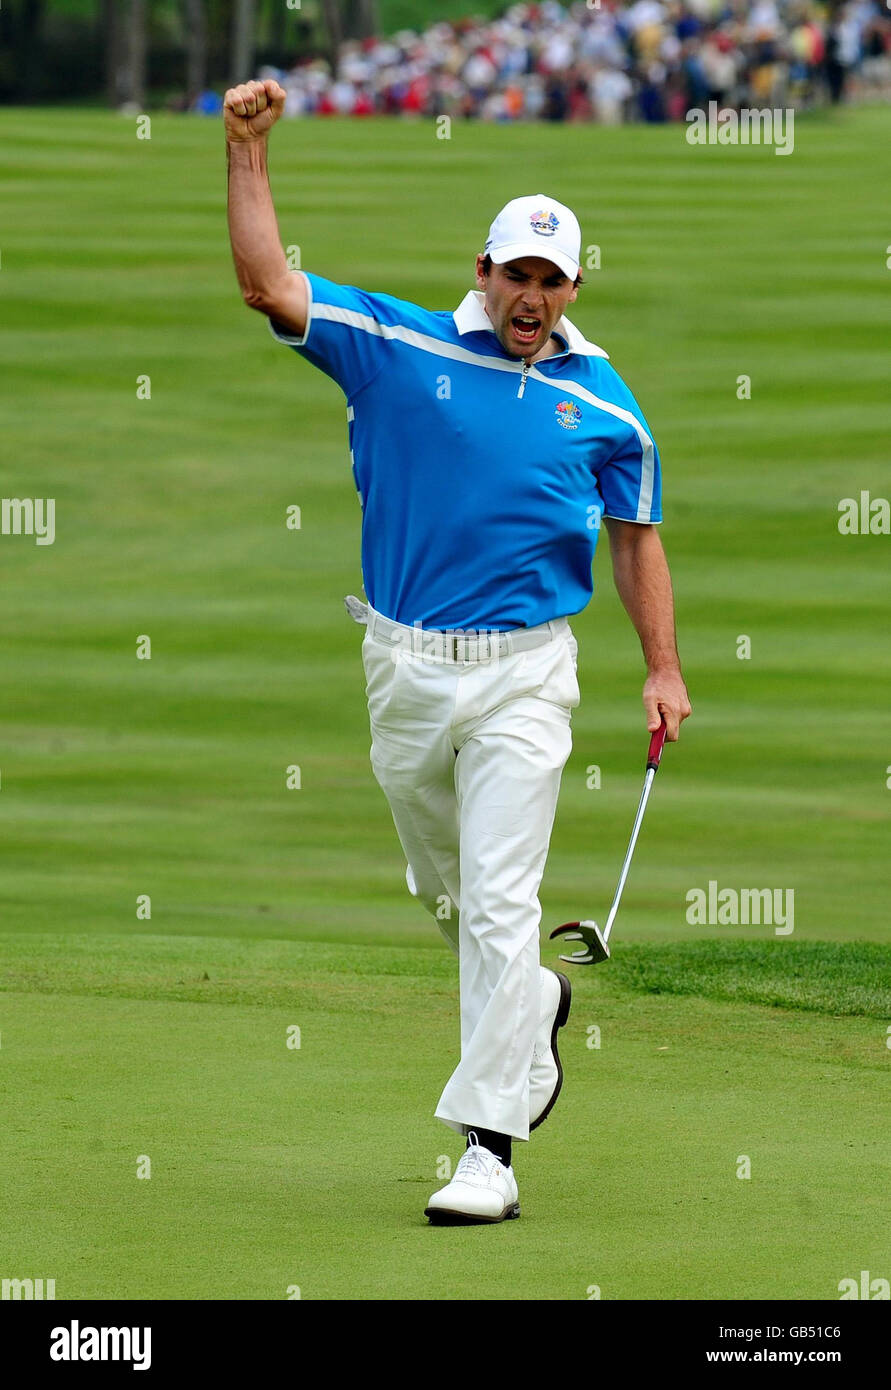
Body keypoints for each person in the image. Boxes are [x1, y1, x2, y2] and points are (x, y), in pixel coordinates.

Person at [224, 78, 692, 1225]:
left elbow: (637, 539)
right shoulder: (390, 343)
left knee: (495, 899)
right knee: (448, 898)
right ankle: (529, 999)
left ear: (574, 286)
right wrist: (246, 151)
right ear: (483, 274)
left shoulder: (611, 408)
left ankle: (490, 1147)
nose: (531, 296)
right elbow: (266, 282)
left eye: (552, 278)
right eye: (515, 273)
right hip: (403, 667)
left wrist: (663, 665)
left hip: (528, 673)